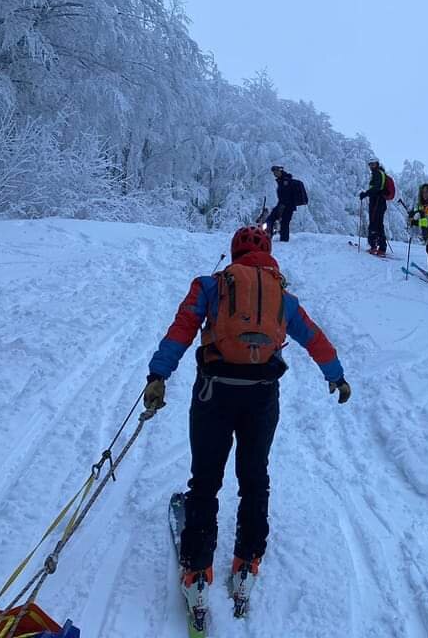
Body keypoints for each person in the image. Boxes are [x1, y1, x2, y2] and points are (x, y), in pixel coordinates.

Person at [143, 226, 351, 615]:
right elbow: (315, 338)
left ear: (234, 253)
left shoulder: (210, 285)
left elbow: (182, 329)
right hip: (261, 396)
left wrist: (158, 375)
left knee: (205, 480)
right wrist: (336, 376)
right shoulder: (283, 298)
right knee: (255, 478)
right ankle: (247, 561)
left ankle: (197, 571)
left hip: (213, 393)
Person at [358, 159, 388, 255]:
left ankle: (375, 246)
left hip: (377, 202)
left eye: (373, 164)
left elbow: (376, 188)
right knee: (378, 224)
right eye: (370, 164)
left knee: (374, 224)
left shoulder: (377, 173)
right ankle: (381, 247)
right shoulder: (380, 173)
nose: (371, 166)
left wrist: (365, 194)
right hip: (379, 202)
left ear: (377, 164)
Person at [265, 165, 298, 242]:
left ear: (280, 171)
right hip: (283, 205)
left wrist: (282, 206)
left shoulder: (286, 181)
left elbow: (287, 195)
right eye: (274, 173)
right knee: (277, 221)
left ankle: (282, 240)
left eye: (276, 172)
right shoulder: (282, 180)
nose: (275, 174)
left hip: (287, 206)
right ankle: (275, 237)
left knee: (283, 223)